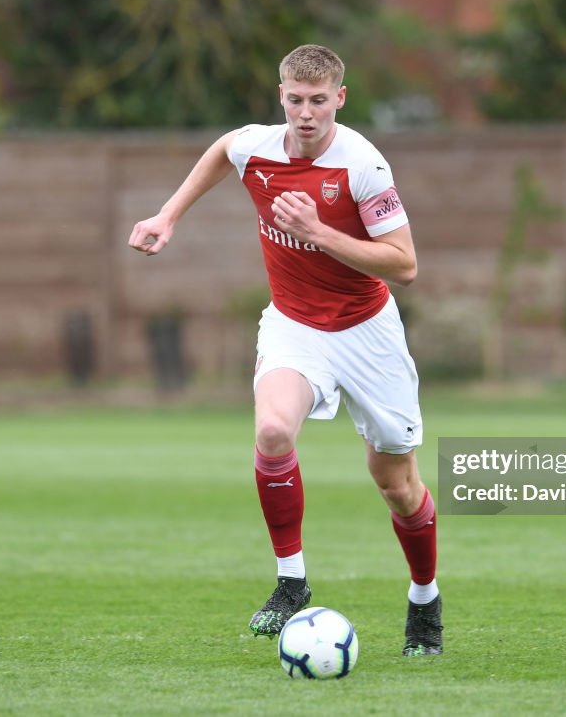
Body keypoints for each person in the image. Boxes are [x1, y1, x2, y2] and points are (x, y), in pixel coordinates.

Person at [128, 44, 441, 656]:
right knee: (272, 431)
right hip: (294, 324)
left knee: (397, 483)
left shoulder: (363, 167)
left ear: (339, 100)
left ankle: (425, 601)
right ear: (281, 96)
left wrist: (317, 232)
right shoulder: (257, 146)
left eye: (319, 101)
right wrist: (169, 215)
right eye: (295, 100)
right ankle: (291, 581)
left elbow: (404, 266)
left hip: (367, 331)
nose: (306, 114)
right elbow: (223, 150)